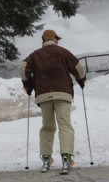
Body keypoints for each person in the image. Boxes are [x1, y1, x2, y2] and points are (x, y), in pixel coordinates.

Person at [19, 29, 86, 173]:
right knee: (65, 126)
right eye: (57, 39)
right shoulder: (63, 52)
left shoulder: (35, 55)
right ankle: (67, 159)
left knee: (47, 127)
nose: (58, 41)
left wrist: (28, 84)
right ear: (54, 39)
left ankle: (46, 159)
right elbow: (79, 68)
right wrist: (81, 80)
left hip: (44, 95)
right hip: (62, 93)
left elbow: (22, 67)